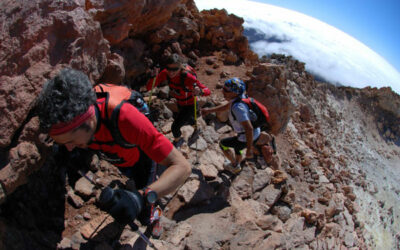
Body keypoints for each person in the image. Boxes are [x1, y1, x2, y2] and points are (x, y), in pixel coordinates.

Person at [36, 68, 191, 234]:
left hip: (141, 158)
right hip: (119, 156)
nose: (69, 147)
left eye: (70, 141)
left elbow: (183, 166)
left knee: (144, 201)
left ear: (88, 121)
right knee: (128, 175)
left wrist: (141, 197)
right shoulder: (77, 125)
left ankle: (153, 217)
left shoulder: (125, 118)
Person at [146, 53, 211, 147]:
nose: (171, 72)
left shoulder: (187, 77)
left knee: (175, 127)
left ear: (180, 67)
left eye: (174, 69)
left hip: (190, 104)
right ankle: (196, 127)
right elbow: (149, 87)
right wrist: (153, 77)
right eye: (169, 68)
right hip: (180, 103)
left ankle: (178, 141)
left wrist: (200, 91)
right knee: (190, 119)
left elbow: (207, 91)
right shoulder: (165, 73)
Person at [201, 78, 261, 174]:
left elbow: (249, 128)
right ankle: (238, 161)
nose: (222, 91)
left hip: (248, 135)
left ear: (235, 92)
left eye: (226, 90)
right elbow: (226, 106)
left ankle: (234, 165)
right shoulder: (240, 98)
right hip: (255, 133)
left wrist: (249, 149)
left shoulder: (238, 108)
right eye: (223, 88)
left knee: (223, 144)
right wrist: (209, 111)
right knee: (238, 147)